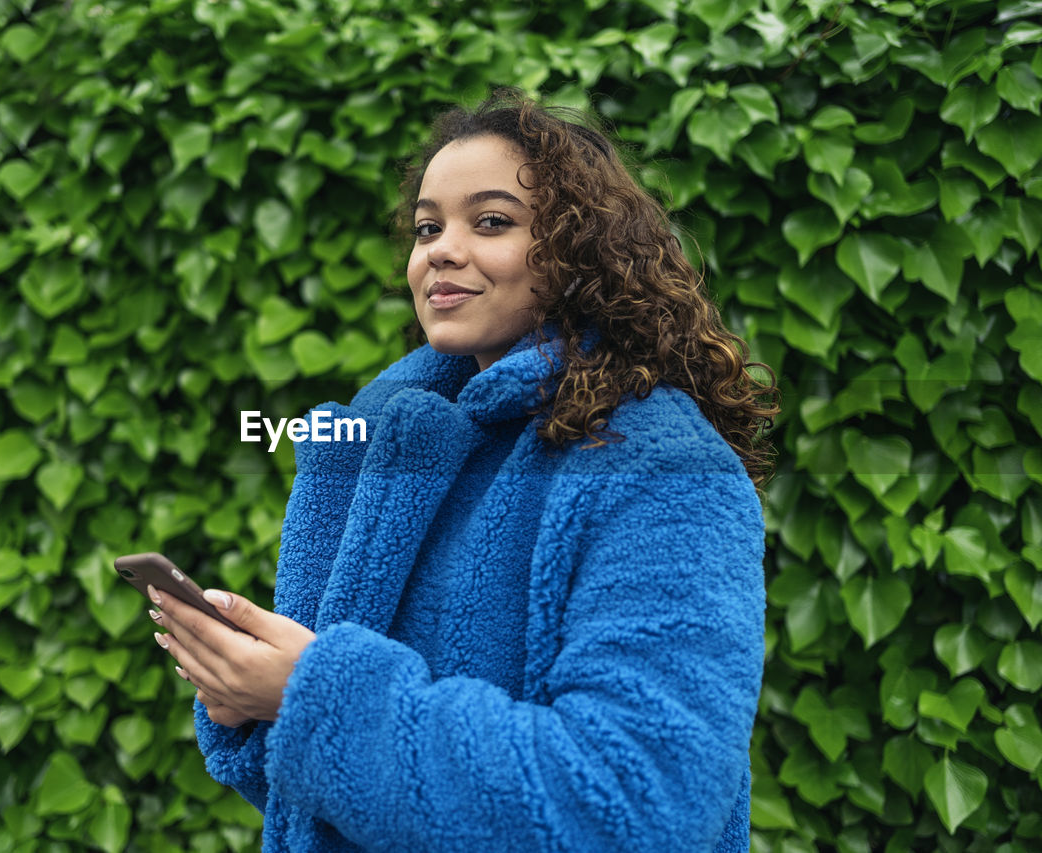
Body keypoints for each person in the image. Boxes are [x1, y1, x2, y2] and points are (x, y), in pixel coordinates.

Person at [145, 88, 778, 852]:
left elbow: (639, 800)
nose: (441, 249)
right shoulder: (395, 446)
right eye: (426, 226)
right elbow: (335, 796)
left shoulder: (663, 470)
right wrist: (249, 697)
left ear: (582, 253)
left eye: (491, 222)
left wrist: (312, 692)